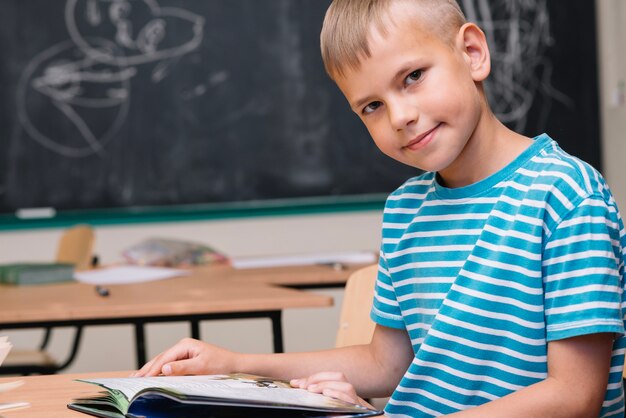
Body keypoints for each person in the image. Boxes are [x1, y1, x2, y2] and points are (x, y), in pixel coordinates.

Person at [134, 0, 626, 416]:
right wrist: (237, 363)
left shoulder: (565, 194)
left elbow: (574, 396)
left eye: (413, 77)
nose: (400, 117)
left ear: (473, 53)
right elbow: (387, 364)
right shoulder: (405, 210)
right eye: (371, 106)